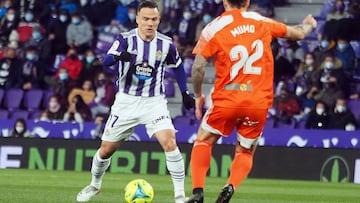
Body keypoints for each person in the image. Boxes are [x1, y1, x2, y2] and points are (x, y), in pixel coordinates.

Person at [185, 0, 317, 202]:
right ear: (247, 2)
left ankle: (197, 192)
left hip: (228, 97)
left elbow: (198, 67)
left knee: (204, 140)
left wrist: (198, 95)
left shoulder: (213, 28)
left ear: (224, 2)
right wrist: (309, 24)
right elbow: (298, 34)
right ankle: (230, 186)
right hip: (257, 100)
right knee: (245, 151)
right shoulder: (260, 21)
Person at [76, 1, 194, 203]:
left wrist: (184, 92)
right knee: (106, 149)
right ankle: (95, 185)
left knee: (170, 142)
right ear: (138, 19)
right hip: (126, 102)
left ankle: (180, 197)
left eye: (154, 19)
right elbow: (106, 60)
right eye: (146, 19)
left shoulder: (166, 43)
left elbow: (179, 67)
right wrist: (120, 56)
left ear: (159, 20)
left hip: (154, 102)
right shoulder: (126, 39)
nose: (150, 23)